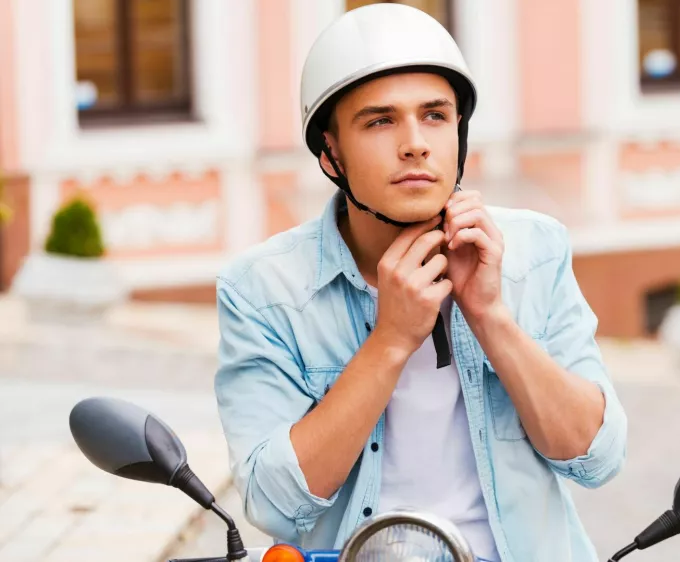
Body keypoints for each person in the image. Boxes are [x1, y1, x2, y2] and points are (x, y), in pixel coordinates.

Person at [213, 4, 627, 561]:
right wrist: (390, 340)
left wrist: (489, 316)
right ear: (331, 151)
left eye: (435, 115)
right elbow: (273, 505)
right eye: (379, 121)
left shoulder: (536, 250)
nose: (415, 143)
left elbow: (595, 458)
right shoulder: (263, 288)